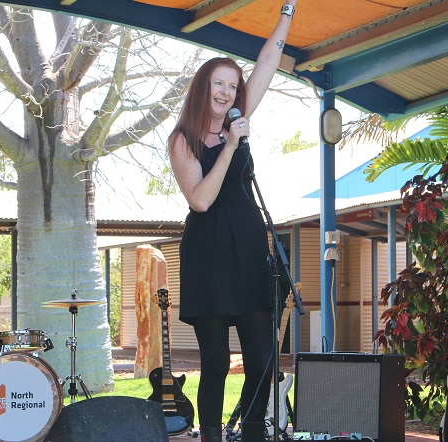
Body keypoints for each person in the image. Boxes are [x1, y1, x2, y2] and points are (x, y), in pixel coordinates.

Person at [168, 2, 297, 441]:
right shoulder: (182, 139)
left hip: (248, 249)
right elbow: (201, 199)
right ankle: (210, 436)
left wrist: (287, 12)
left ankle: (255, 432)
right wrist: (228, 147)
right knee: (218, 363)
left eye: (231, 86)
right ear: (203, 88)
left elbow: (267, 62)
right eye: (217, 84)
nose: (225, 92)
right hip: (207, 256)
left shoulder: (240, 117)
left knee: (262, 358)